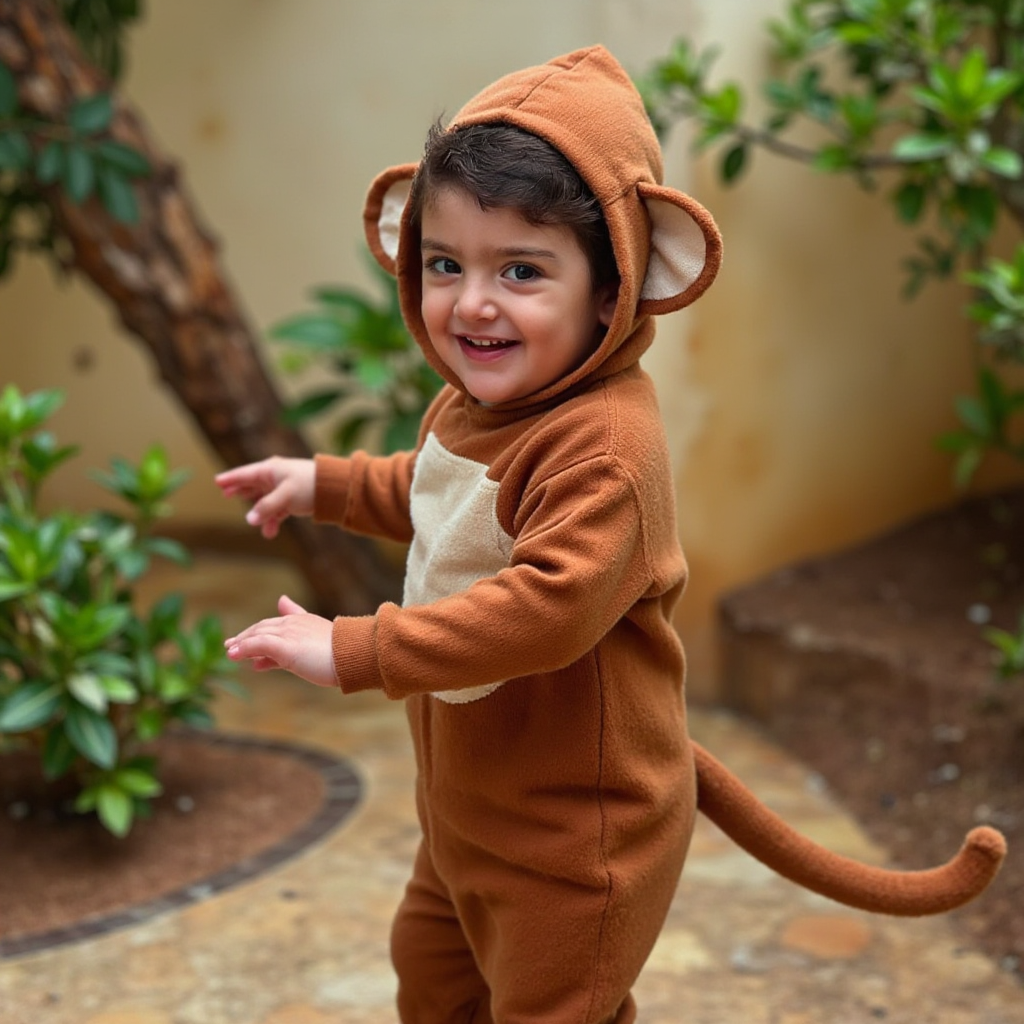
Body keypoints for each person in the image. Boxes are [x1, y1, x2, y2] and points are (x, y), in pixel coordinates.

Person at [218, 45, 1005, 1024]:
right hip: (471, 807)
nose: (472, 303)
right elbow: (442, 498)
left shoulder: (604, 452)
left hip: (574, 836)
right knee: (432, 980)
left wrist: (357, 647)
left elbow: (543, 608)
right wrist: (322, 484)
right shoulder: (475, 404)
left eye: (521, 270)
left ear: (612, 286)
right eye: (445, 264)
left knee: (555, 1007)